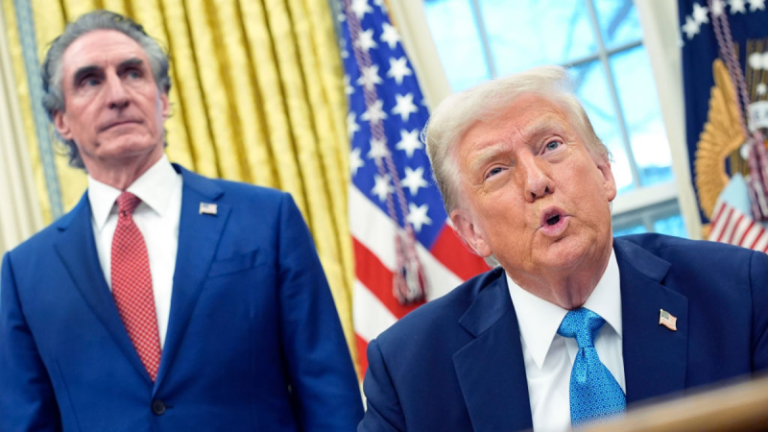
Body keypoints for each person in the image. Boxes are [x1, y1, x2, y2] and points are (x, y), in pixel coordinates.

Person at [0, 10, 362, 432]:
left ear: (163, 99)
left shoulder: (265, 219)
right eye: (90, 81)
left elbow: (328, 392)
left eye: (133, 73)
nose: (117, 95)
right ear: (61, 120)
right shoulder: (25, 272)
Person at [357, 66, 768, 432]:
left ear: (604, 173)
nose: (536, 181)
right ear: (471, 232)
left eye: (551, 145)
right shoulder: (409, 371)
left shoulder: (741, 293)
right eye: (497, 170)